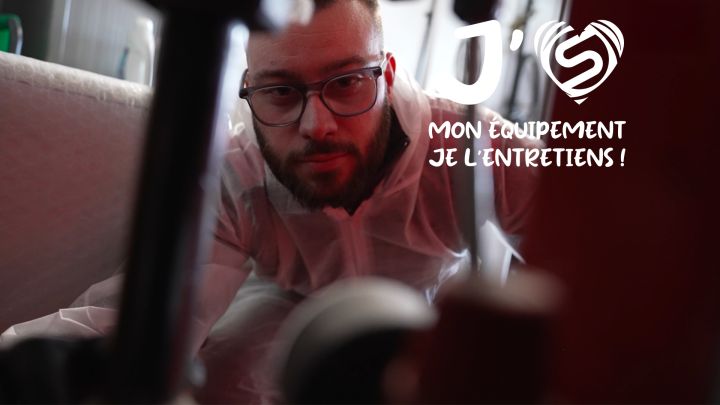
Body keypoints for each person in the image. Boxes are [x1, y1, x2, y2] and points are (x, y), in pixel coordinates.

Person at [2, 0, 538, 402]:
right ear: (249, 89)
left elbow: (578, 259)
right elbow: (136, 325)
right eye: (281, 91)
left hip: (426, 313)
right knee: (228, 375)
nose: (316, 126)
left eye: (347, 82)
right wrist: (32, 368)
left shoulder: (470, 147)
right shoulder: (238, 175)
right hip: (288, 303)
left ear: (388, 74)